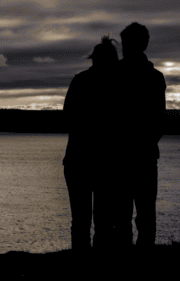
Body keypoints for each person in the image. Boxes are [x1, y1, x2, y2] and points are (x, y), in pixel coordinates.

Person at [62, 35, 121, 252]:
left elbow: (68, 117)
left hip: (78, 160)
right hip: (106, 162)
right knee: (103, 223)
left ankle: (81, 266)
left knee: (81, 221)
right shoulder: (119, 86)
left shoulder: (80, 81)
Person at [114, 22, 167, 248]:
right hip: (136, 155)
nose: (125, 47)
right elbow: (158, 121)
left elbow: (157, 120)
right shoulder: (153, 77)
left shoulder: (115, 74)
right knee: (133, 216)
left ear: (142, 44)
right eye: (124, 42)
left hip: (128, 155)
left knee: (134, 216)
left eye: (128, 43)